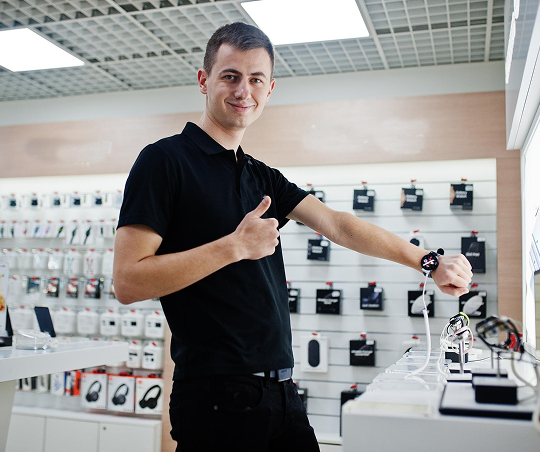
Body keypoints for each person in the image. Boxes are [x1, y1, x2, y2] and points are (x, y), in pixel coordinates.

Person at [113, 22, 473, 452]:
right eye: (230, 76)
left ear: (269, 90)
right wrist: (234, 247)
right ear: (204, 80)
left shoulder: (260, 175)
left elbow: (338, 224)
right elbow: (128, 281)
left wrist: (427, 261)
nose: (243, 90)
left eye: (256, 79)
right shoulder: (164, 161)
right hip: (215, 398)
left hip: (281, 390)